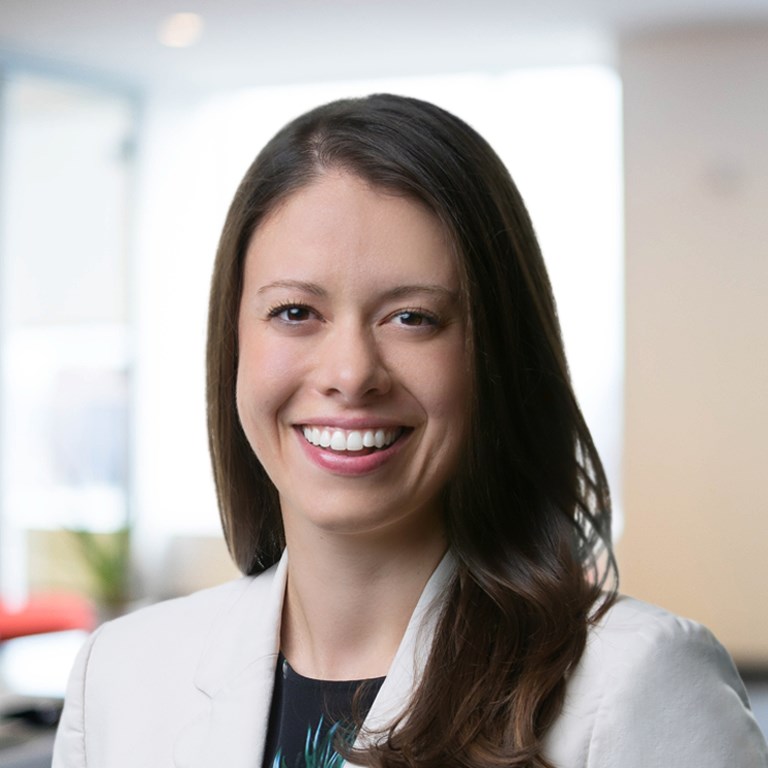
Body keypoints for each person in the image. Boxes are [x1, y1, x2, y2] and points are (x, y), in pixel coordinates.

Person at [52, 94, 767, 768]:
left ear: (497, 355)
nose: (351, 373)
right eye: (296, 312)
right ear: (232, 342)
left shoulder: (636, 681)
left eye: (413, 317)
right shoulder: (121, 675)